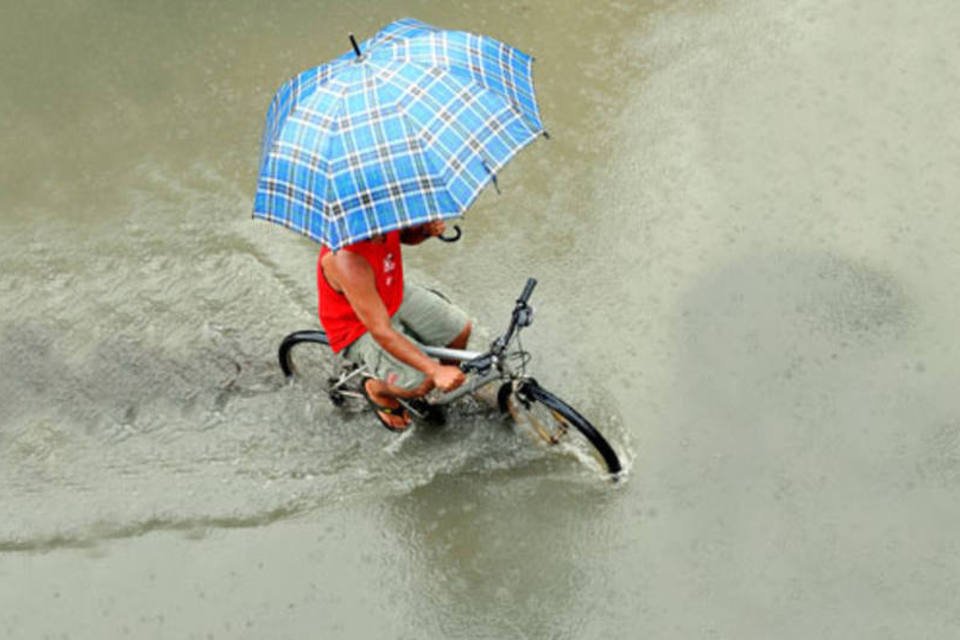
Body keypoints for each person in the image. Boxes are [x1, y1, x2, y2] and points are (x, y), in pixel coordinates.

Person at [317, 220, 471, 431]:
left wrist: (424, 232)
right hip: (359, 326)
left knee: (459, 330)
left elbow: (404, 236)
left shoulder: (384, 216)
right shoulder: (344, 260)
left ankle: (446, 386)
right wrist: (434, 370)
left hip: (392, 294)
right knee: (422, 383)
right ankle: (376, 389)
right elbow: (381, 330)